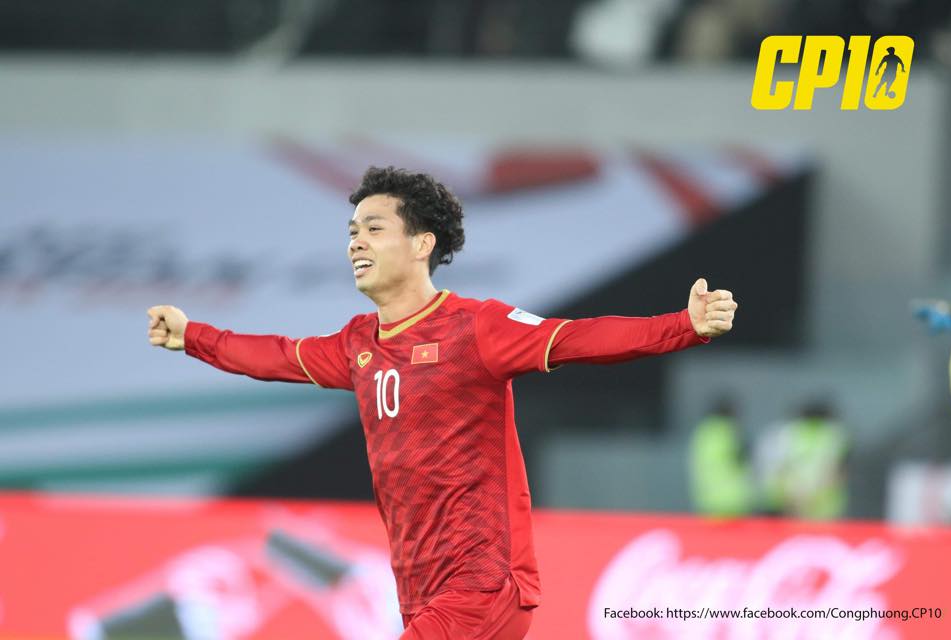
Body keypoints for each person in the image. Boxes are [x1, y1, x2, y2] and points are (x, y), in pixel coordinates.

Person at [146, 166, 738, 639]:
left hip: (482, 584)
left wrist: (683, 326)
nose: (356, 241)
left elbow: (577, 338)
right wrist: (192, 336)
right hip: (418, 591)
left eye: (374, 228)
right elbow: (275, 355)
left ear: (421, 243)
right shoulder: (358, 344)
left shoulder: (476, 327)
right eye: (352, 231)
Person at [688, 397, 753, 517]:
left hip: (707, 499)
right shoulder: (728, 430)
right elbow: (741, 457)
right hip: (733, 499)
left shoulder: (702, 432)